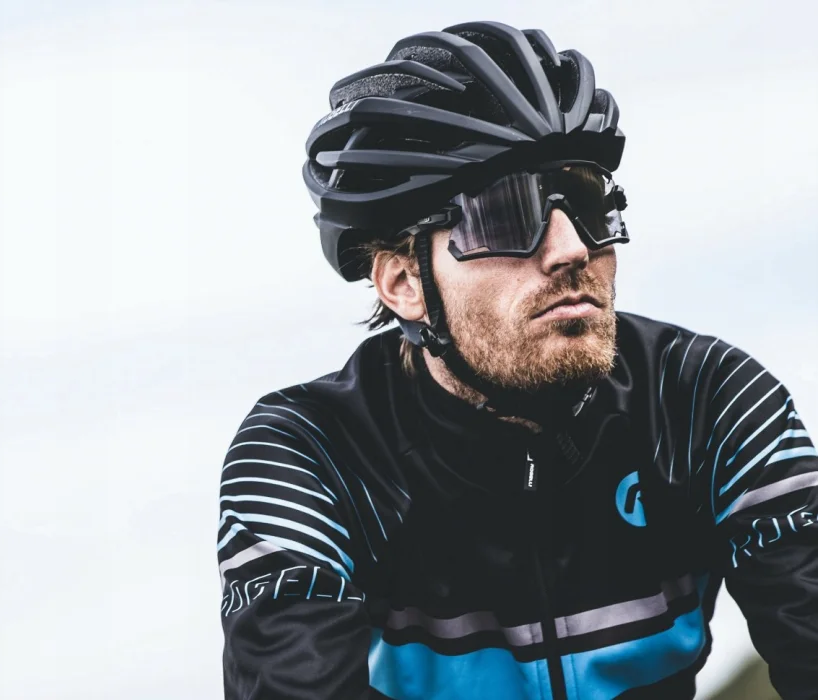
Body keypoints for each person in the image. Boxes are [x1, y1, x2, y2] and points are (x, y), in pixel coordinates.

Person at [216, 21, 818, 700]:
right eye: (502, 216)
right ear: (405, 283)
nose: (570, 249)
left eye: (588, 203)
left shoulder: (703, 400)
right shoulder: (314, 455)